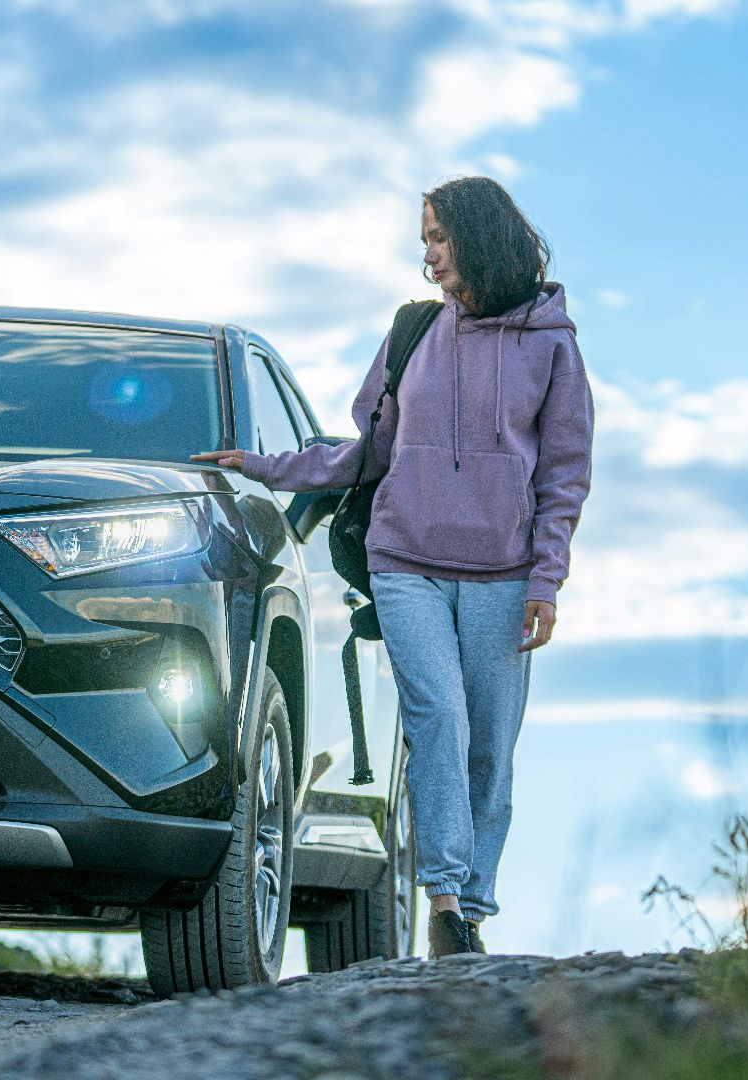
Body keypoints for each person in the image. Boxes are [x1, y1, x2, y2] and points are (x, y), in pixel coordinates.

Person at [191, 175, 595, 959]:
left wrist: (546, 580)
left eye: (439, 240)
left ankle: (472, 901)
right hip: (404, 559)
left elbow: (564, 476)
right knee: (435, 718)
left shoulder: (553, 343)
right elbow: (369, 451)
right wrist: (269, 467)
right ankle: (446, 901)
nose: (430, 258)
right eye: (425, 243)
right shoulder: (412, 333)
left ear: (479, 238)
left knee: (489, 744)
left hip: (503, 572)